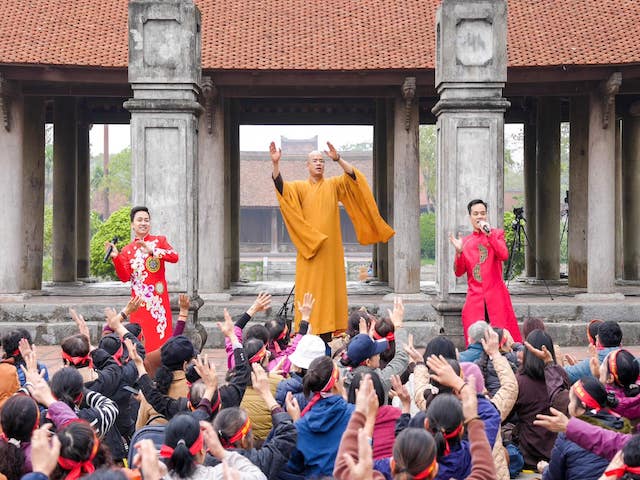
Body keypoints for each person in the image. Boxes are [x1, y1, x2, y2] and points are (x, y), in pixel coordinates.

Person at [270, 141, 394, 337]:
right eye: (315, 161)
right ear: (307, 165)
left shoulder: (334, 185)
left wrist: (338, 159)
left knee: (330, 290)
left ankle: (329, 330)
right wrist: (276, 163)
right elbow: (281, 189)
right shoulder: (300, 187)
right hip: (310, 248)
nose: (319, 163)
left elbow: (354, 178)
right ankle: (306, 331)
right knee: (309, 290)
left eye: (322, 161)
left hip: (330, 249)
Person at [106, 206, 179, 352]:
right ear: (132, 225)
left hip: (158, 305)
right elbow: (125, 277)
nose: (143, 223)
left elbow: (174, 256)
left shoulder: (159, 241)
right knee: (141, 342)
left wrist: (152, 251)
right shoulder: (127, 250)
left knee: (162, 343)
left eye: (146, 220)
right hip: (138, 306)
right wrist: (116, 258)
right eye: (139, 220)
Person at [448, 199, 522, 344]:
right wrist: (459, 252)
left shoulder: (496, 234)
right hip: (475, 299)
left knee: (504, 340)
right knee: (476, 342)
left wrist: (489, 234)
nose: (479, 217)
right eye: (475, 214)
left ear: (486, 215)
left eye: (482, 213)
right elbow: (458, 272)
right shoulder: (466, 242)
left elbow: (504, 255)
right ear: (470, 217)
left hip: (496, 297)